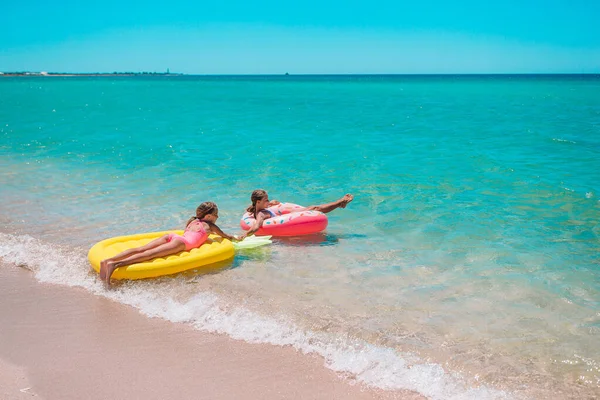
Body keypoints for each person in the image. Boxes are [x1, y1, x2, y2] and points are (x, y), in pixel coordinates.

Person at [99, 202, 240, 287]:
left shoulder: (193, 221)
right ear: (209, 216)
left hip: (173, 236)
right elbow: (225, 236)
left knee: (140, 249)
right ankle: (115, 264)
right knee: (148, 255)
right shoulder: (210, 226)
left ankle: (107, 260)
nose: (217, 218)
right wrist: (235, 238)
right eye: (217, 215)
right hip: (181, 243)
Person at [241, 189, 353, 238]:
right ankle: (340, 203)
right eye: (266, 200)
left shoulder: (258, 208)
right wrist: (245, 235)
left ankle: (340, 203)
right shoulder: (261, 214)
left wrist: (272, 203)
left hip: (282, 216)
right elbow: (257, 225)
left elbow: (257, 209)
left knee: (314, 207)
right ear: (258, 202)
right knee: (315, 208)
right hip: (285, 219)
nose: (268, 201)